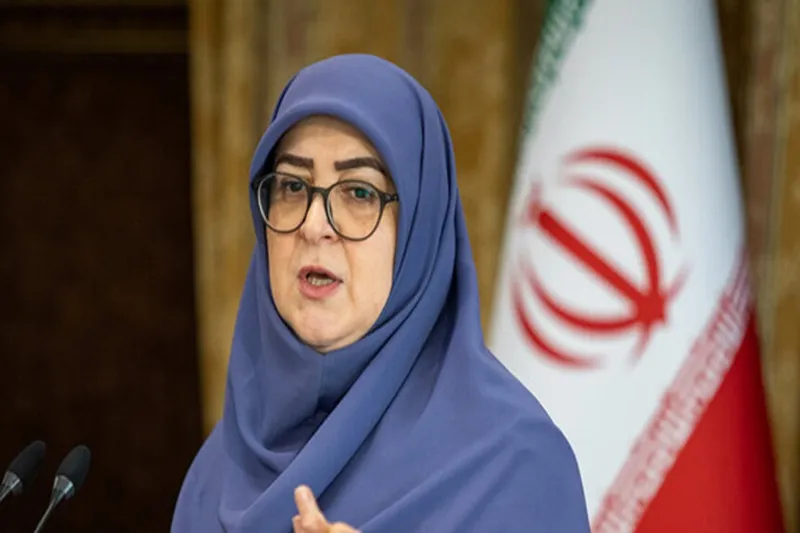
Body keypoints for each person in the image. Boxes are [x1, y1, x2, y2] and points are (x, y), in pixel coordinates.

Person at [171, 53, 590, 533]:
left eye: (359, 193)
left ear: (419, 230)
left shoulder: (513, 465)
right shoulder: (220, 470)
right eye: (292, 186)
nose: (313, 225)